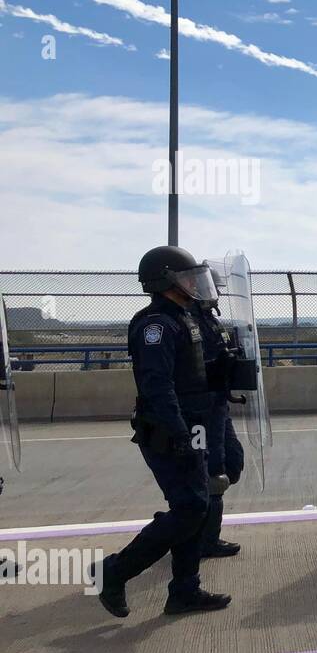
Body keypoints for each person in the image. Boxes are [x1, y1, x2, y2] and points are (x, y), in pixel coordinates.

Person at [92, 246, 231, 617]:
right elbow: (158, 387)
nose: (194, 284)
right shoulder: (156, 325)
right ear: (167, 280)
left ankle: (185, 591)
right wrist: (181, 434)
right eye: (187, 277)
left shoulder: (184, 318)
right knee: (191, 507)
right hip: (169, 432)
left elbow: (193, 373)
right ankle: (114, 571)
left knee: (193, 507)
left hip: (192, 427)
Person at [194, 273, 245, 558]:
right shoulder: (188, 321)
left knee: (232, 463)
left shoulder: (211, 320)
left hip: (219, 405)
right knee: (213, 472)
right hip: (204, 408)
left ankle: (188, 524)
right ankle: (204, 538)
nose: (214, 293)